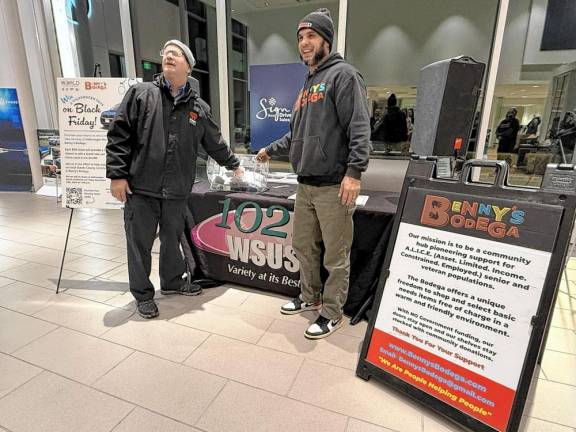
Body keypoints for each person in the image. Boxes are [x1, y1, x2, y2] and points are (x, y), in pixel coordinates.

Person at [256, 8, 371, 339]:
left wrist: (354, 172)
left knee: (336, 257)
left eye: (311, 36)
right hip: (305, 185)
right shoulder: (308, 85)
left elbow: (359, 128)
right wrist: (270, 150)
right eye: (301, 37)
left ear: (326, 40)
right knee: (304, 247)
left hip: (334, 185)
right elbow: (298, 135)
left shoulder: (344, 76)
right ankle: (310, 297)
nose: (304, 43)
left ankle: (332, 312)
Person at [106, 39, 241, 319]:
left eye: (176, 53)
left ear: (188, 67)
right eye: (165, 52)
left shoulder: (198, 108)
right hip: (141, 189)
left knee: (171, 242)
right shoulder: (141, 94)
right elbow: (119, 136)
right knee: (139, 244)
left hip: (177, 190)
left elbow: (214, 142)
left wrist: (234, 164)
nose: (168, 55)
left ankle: (172, 282)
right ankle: (143, 294)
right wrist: (117, 174)